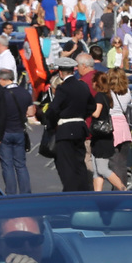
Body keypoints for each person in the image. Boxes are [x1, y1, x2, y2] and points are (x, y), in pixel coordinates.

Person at [47, 56, 92, 191]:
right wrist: (81, 116)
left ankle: (70, 193)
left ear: (60, 73)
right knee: (79, 163)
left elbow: (53, 109)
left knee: (67, 165)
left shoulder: (63, 88)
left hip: (65, 129)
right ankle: (83, 192)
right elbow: (92, 106)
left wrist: (52, 122)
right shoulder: (83, 86)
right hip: (80, 128)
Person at [91, 68, 132, 192]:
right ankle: (120, 188)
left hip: (111, 126)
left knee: (110, 164)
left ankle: (120, 189)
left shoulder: (108, 93)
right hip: (124, 127)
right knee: (121, 163)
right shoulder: (127, 92)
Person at [0, 68, 34, 195]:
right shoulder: (24, 93)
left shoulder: (2, 95)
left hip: (5, 131)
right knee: (21, 165)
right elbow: (31, 112)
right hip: (19, 131)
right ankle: (25, 192)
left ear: (2, 79)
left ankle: (11, 193)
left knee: (7, 165)